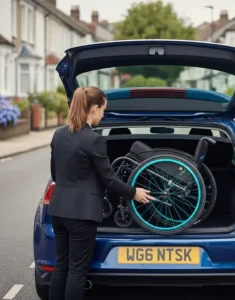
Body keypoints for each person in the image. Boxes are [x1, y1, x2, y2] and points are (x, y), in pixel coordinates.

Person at [48, 86, 154, 300]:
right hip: (81, 214)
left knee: (62, 266)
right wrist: (133, 192)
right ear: (94, 108)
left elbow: (55, 174)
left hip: (59, 210)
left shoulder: (59, 134)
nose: (104, 114)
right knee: (77, 271)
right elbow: (109, 178)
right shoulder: (93, 139)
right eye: (104, 109)